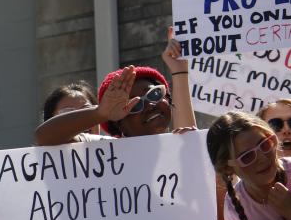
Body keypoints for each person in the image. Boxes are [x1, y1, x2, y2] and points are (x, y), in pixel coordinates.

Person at [34, 30, 196, 145]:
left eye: (154, 94)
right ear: (119, 124)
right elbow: (43, 138)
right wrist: (100, 113)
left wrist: (180, 71)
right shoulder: (106, 152)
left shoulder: (182, 142)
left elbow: (188, 146)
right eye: (135, 104)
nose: (150, 105)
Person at [207, 110, 291, 220]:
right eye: (247, 156)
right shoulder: (233, 205)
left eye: (265, 144)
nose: (262, 158)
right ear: (227, 168)